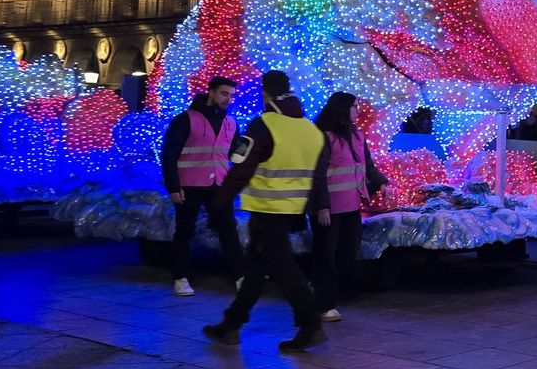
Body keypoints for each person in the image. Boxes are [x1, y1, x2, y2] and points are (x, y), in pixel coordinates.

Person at [202, 71, 331, 353]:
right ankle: (230, 325)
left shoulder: (264, 126)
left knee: (284, 269)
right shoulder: (312, 131)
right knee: (257, 270)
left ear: (265, 93)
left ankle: (310, 325)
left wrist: (219, 205)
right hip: (290, 211)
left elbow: (240, 171)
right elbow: (317, 177)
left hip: (266, 210)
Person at [160, 77, 244, 295]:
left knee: (228, 230)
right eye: (224, 94)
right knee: (184, 231)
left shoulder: (231, 123)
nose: (229, 99)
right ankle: (180, 277)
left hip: (219, 185)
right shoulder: (186, 119)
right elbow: (169, 154)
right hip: (189, 185)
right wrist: (173, 186)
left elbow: (237, 152)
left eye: (231, 95)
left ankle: (240, 276)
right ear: (211, 93)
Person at [312, 92, 387, 323]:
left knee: (348, 251)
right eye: (354, 106)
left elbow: (367, 165)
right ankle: (324, 303)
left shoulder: (356, 135)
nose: (357, 110)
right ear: (343, 109)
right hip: (328, 208)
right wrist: (321, 206)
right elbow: (317, 174)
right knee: (326, 253)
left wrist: (382, 182)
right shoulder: (323, 137)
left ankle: (323, 288)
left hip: (351, 205)